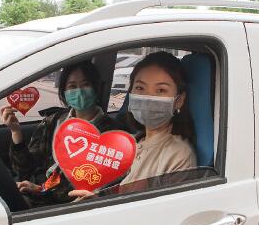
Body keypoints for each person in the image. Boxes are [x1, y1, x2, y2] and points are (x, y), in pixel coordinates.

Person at [70, 51, 197, 200]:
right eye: (140, 88)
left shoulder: (178, 155)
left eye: (161, 90)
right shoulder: (128, 142)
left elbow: (163, 211)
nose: (148, 98)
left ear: (179, 101)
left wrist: (97, 204)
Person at [1, 61, 122, 204]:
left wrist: (40, 189)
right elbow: (25, 169)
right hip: (36, 192)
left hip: (62, 205)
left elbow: (85, 186)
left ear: (96, 88)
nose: (79, 91)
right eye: (72, 86)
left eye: (86, 84)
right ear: (64, 91)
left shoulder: (112, 134)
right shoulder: (54, 121)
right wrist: (15, 131)